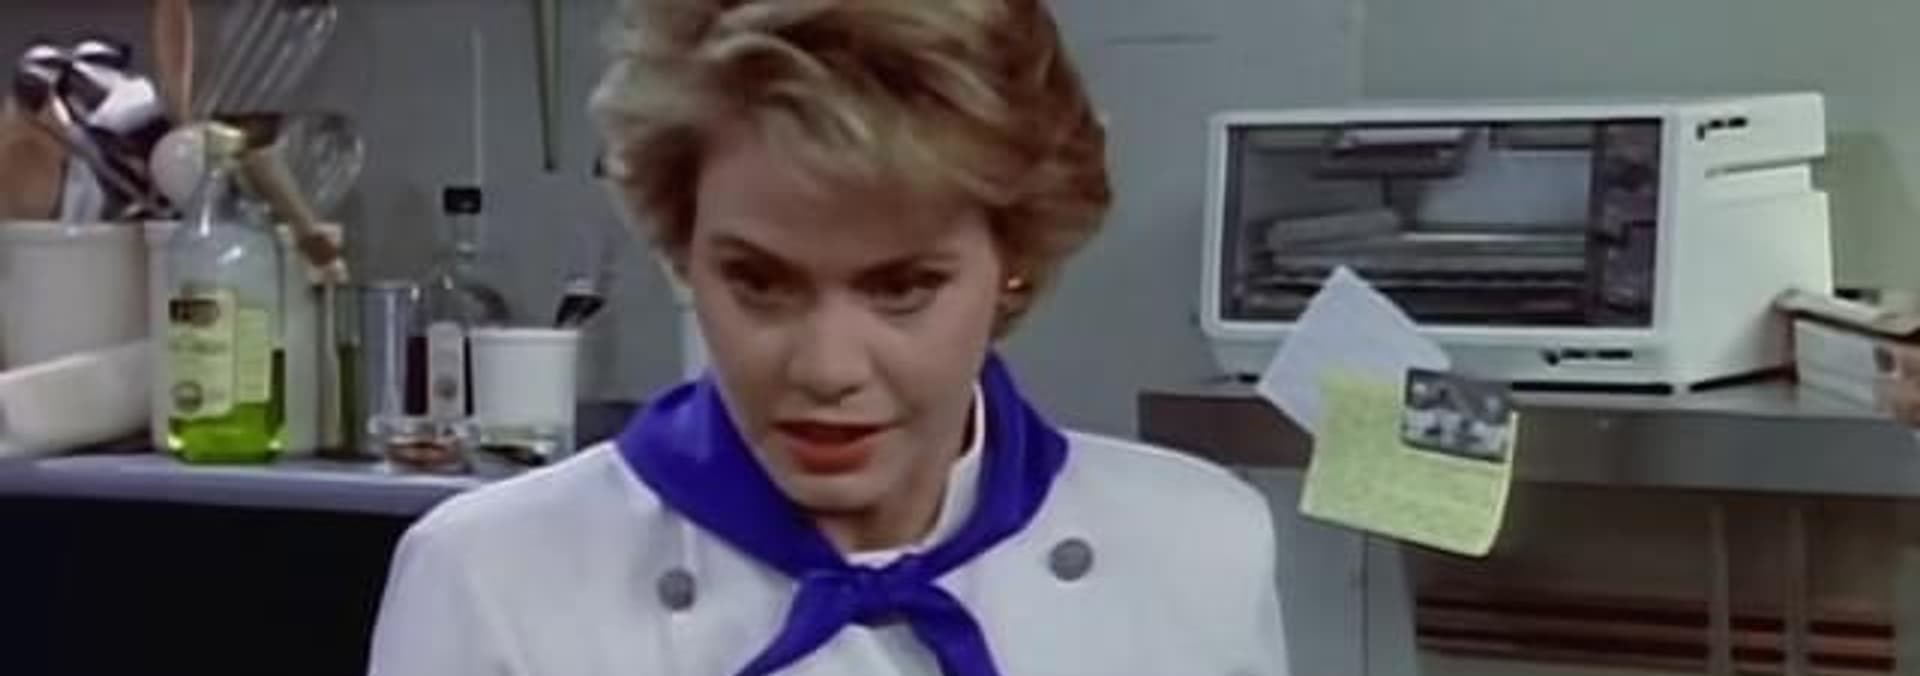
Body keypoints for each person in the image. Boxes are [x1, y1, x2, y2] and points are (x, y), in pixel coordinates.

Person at [365, 0, 1293, 674]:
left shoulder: (1198, 546)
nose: (826, 369)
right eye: (759, 283)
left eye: (903, 288)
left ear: (1015, 262)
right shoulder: (489, 576)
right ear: (682, 250)